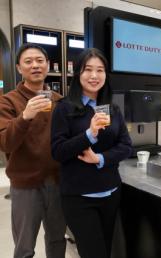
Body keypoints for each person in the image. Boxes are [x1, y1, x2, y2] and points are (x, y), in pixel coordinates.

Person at [51, 48, 132, 258]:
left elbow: (126, 145)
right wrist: (89, 134)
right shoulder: (64, 108)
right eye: (88, 70)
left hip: (110, 192)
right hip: (79, 197)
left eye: (100, 70)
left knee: (105, 250)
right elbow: (58, 151)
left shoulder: (112, 109)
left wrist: (100, 158)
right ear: (78, 73)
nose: (94, 76)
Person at [0, 43, 66, 258]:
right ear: (19, 68)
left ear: (48, 65)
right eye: (28, 62)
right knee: (24, 246)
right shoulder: (7, 101)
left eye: (40, 61)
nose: (35, 65)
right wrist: (25, 116)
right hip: (26, 185)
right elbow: (4, 143)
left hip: (58, 182)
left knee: (57, 239)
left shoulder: (59, 101)